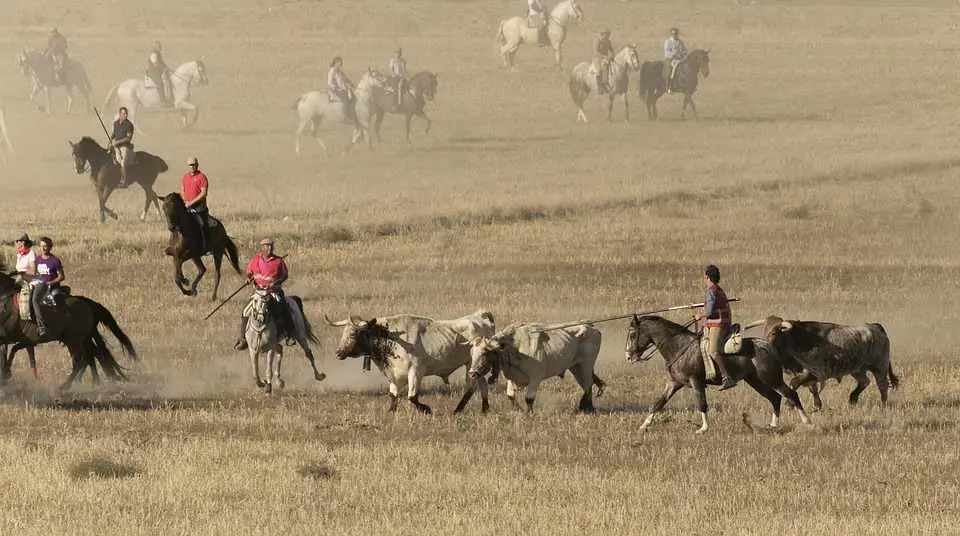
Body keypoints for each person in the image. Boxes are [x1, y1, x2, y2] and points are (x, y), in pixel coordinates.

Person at [235, 238, 293, 351]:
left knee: (284, 308)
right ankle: (242, 339)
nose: (269, 248)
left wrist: (276, 282)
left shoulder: (278, 261)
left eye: (271, 246)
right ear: (262, 248)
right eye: (266, 246)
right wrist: (248, 279)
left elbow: (285, 276)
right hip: (258, 292)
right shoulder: (255, 260)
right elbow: (249, 273)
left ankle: (289, 334)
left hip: (273, 292)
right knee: (245, 311)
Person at [694, 264, 735, 390]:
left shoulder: (711, 291)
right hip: (720, 322)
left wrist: (699, 316)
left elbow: (710, 311)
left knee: (713, 351)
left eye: (704, 275)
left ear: (707, 276)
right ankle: (709, 373)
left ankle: (727, 377)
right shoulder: (717, 289)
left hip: (718, 324)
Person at [31, 237, 65, 338]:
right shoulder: (38, 259)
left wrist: (50, 282)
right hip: (38, 284)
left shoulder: (55, 260)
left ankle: (42, 327)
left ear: (50, 247)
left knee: (35, 301)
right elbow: (35, 273)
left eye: (46, 246)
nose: (43, 248)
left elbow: (62, 276)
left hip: (49, 286)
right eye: (41, 246)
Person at [182, 157, 210, 251]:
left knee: (202, 224)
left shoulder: (202, 177)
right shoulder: (185, 177)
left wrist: (191, 203)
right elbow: (183, 190)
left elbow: (203, 193)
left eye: (194, 164)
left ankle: (206, 246)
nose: (192, 166)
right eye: (190, 165)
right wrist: (185, 201)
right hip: (187, 206)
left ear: (197, 165)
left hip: (199, 207)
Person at [111, 107, 135, 187]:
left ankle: (124, 182)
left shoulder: (129, 125)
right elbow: (113, 134)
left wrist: (117, 142)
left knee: (123, 163)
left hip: (125, 147)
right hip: (116, 146)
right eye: (123, 113)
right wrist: (111, 139)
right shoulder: (115, 123)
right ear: (120, 114)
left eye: (126, 113)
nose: (125, 115)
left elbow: (128, 138)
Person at [146, 41, 172, 107]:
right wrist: (164, 68)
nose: (160, 48)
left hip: (158, 72)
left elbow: (162, 63)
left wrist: (167, 68)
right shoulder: (154, 54)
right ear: (155, 47)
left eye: (160, 46)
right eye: (159, 47)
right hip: (153, 72)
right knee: (160, 83)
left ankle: (170, 97)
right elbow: (155, 64)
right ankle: (162, 101)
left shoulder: (158, 54)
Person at [663, 27, 688, 93]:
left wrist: (684, 53)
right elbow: (666, 52)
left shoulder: (680, 42)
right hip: (671, 59)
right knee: (674, 67)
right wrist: (675, 54)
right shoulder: (668, 42)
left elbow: (684, 50)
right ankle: (670, 85)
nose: (674, 35)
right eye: (673, 34)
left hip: (680, 59)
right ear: (671, 34)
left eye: (676, 34)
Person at [592, 30, 615, 95]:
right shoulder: (597, 41)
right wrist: (604, 56)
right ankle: (599, 88)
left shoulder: (608, 41)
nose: (608, 36)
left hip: (606, 58)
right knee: (598, 71)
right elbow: (596, 52)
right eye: (607, 34)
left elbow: (611, 49)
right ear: (603, 34)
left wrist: (612, 55)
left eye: (608, 34)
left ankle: (607, 83)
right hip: (598, 58)